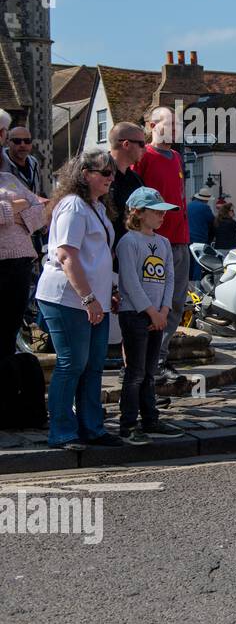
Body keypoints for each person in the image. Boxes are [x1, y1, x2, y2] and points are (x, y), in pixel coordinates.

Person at [36, 151, 122, 449]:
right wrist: (89, 298)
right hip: (67, 297)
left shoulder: (95, 206)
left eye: (112, 173)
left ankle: (92, 428)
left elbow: (97, 255)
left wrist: (106, 291)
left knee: (94, 364)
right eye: (105, 173)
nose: (111, 178)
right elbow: (66, 255)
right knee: (72, 363)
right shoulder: (73, 206)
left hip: (91, 299)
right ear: (85, 174)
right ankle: (61, 431)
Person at [115, 187, 187, 445]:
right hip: (135, 314)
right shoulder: (129, 242)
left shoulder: (164, 242)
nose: (161, 216)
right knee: (134, 372)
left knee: (149, 371)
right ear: (138, 212)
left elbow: (169, 278)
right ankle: (127, 424)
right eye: (155, 212)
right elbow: (131, 282)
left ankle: (150, 419)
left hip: (157, 315)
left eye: (162, 212)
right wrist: (150, 311)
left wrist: (165, 309)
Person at [133, 107, 189, 384]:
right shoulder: (144, 156)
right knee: (150, 303)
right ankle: (145, 362)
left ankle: (160, 358)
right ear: (153, 125)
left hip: (180, 240)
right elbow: (134, 198)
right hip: (153, 241)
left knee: (175, 302)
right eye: (172, 124)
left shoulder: (177, 157)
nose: (177, 129)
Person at [0, 166, 45, 354]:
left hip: (21, 263)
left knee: (10, 331)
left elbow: (40, 211)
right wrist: (17, 207)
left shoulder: (9, 178)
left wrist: (7, 213)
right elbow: (29, 204)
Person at [1, 125, 45, 197]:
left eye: (27, 141)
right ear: (7, 142)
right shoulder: (2, 163)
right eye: (17, 141)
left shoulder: (34, 163)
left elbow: (37, 190)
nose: (22, 145)